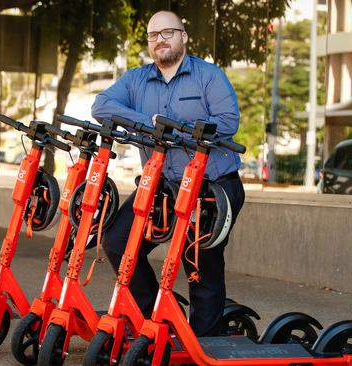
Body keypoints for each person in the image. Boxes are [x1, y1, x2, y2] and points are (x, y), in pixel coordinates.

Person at [91, 10, 245, 337]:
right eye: (153, 35)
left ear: (183, 36)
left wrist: (179, 132)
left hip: (210, 187)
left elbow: (228, 122)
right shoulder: (136, 80)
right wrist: (154, 124)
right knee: (119, 244)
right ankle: (157, 323)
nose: (160, 40)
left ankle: (203, 342)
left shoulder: (208, 75)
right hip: (162, 187)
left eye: (168, 32)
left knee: (199, 267)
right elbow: (102, 106)